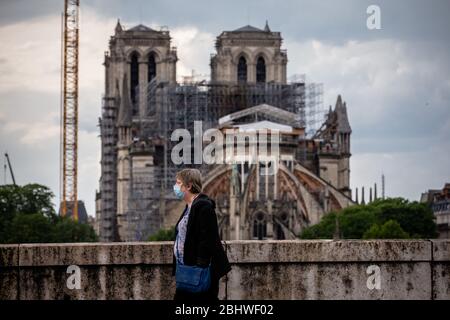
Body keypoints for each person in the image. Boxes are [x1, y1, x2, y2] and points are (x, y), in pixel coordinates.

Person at [172, 168, 231, 302]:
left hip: (197, 273)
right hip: (187, 271)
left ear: (189, 186)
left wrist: (199, 267)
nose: (175, 187)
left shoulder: (204, 206)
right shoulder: (189, 207)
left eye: (178, 183)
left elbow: (208, 240)